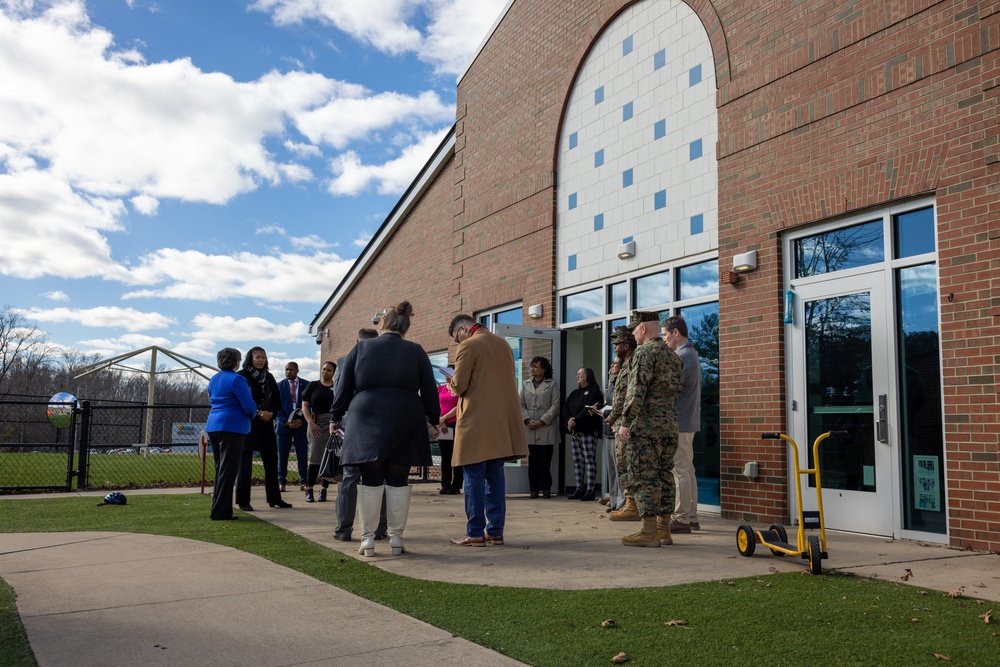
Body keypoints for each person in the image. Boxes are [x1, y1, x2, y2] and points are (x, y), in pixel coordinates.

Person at [331, 302, 440, 557]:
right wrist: (434, 418)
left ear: (383, 324)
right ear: (406, 325)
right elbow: (429, 388)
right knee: (399, 480)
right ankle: (396, 538)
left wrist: (336, 416)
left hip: (365, 415)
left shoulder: (361, 348)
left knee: (370, 479)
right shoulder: (416, 351)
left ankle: (367, 539)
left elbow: (344, 387)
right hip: (405, 415)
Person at [446, 314, 528, 546]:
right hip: (500, 422)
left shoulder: (469, 346)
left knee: (473, 477)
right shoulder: (503, 344)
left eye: (456, 338)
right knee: (495, 478)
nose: (457, 343)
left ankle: (474, 532)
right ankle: (495, 531)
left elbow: (460, 385)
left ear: (463, 328)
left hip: (475, 421)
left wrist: (450, 381)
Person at [617, 311, 682, 547]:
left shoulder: (644, 353)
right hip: (669, 426)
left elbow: (636, 391)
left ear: (643, 328)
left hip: (645, 427)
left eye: (634, 330)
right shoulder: (673, 355)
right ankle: (664, 530)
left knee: (644, 477)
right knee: (664, 475)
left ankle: (649, 531)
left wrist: (625, 423)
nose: (633, 334)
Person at [332, 328, 387, 542]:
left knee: (349, 478)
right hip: (380, 426)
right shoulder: (386, 362)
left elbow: (338, 394)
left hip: (351, 425)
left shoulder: (344, 361)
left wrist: (335, 420)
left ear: (357, 341)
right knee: (378, 478)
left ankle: (343, 529)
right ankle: (379, 528)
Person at [235, 346, 292, 511]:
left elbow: (277, 400)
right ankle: (243, 501)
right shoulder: (242, 376)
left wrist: (270, 413)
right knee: (245, 465)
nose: (261, 360)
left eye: (263, 358)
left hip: (267, 425)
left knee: (271, 461)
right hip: (248, 424)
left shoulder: (269, 377)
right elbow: (242, 401)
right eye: (257, 357)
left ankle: (275, 498)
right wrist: (259, 413)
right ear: (250, 359)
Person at [206, 347, 257, 520]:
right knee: (228, 471)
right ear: (236, 361)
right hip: (232, 426)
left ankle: (220, 509)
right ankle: (220, 512)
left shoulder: (214, 379)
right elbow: (248, 405)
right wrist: (254, 413)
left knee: (220, 469)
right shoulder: (237, 379)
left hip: (214, 425)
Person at [662, 316, 702, 533]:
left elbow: (671, 389)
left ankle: (681, 518)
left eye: (666, 335)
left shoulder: (683, 356)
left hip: (680, 421)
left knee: (680, 471)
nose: (664, 339)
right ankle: (692, 516)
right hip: (687, 421)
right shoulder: (690, 354)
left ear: (676, 333)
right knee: (688, 470)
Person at [606, 326, 640, 522]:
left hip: (626, 423)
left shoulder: (632, 364)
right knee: (621, 466)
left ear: (626, 345)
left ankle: (632, 505)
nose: (614, 347)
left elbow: (625, 397)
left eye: (617, 344)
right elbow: (613, 392)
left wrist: (614, 415)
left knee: (628, 466)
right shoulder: (624, 365)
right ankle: (628, 504)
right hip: (618, 421)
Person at [520, 356, 560, 499]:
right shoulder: (525, 384)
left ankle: (546, 489)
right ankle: (533, 490)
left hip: (546, 427)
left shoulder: (552, 384)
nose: (532, 369)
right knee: (532, 462)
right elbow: (521, 404)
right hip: (530, 426)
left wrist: (542, 421)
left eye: (536, 367)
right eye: (532, 366)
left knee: (544, 461)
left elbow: (555, 406)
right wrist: (527, 419)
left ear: (543, 370)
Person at [564, 367, 604, 501]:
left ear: (588, 376)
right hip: (575, 432)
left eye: (580, 374)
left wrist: (575, 420)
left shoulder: (595, 392)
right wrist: (569, 420)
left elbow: (590, 409)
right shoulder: (574, 393)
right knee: (578, 462)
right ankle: (578, 488)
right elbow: (565, 408)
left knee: (589, 460)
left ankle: (590, 490)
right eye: (577, 374)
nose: (577, 376)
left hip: (588, 431)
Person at [301, 360, 335, 503]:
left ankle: (324, 490)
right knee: (315, 457)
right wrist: (311, 422)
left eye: (328, 370)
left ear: (334, 373)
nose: (325, 372)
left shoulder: (337, 387)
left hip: (333, 424)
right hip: (316, 424)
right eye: (323, 369)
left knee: (328, 458)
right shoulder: (313, 386)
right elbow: (305, 405)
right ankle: (309, 489)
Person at [276, 361, 309, 492]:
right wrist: (286, 421)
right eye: (286, 369)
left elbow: (309, 405)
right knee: (282, 455)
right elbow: (276, 406)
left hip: (301, 426)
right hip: (284, 427)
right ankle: (282, 481)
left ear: (297, 371)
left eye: (291, 370)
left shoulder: (306, 385)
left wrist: (302, 420)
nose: (288, 372)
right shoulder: (279, 386)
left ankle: (303, 481)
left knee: (302, 455)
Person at [597, 356, 624, 511]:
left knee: (620, 469)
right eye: (612, 363)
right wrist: (600, 407)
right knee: (611, 469)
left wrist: (609, 412)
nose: (612, 365)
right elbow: (609, 403)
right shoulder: (611, 382)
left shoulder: (623, 381)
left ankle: (622, 503)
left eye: (615, 363)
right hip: (607, 428)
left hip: (617, 429)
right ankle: (613, 502)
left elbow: (620, 405)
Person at [437, 365, 462, 494]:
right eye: (445, 373)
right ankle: (445, 484)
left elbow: (460, 405)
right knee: (445, 456)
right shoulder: (440, 389)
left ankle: (456, 485)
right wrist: (441, 421)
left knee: (457, 455)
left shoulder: (459, 389)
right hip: (444, 427)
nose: (446, 375)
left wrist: (445, 417)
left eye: (449, 373)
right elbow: (434, 405)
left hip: (457, 424)